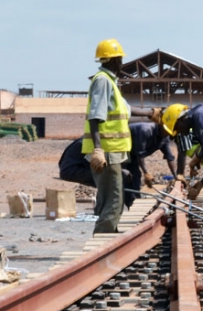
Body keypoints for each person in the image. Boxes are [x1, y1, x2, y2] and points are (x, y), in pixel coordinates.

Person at [83, 38, 132, 234]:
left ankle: (108, 236)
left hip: (113, 152)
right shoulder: (103, 81)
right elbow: (95, 116)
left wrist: (150, 114)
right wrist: (98, 149)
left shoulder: (110, 82)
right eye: (120, 59)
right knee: (114, 199)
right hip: (107, 152)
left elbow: (125, 112)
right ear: (113, 60)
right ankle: (103, 238)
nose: (122, 63)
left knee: (112, 199)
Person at [125, 119, 178, 209]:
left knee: (135, 175)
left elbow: (170, 158)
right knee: (129, 175)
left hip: (133, 154)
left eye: (168, 133)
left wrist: (176, 176)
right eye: (166, 132)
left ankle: (133, 200)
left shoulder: (165, 138)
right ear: (161, 126)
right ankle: (129, 202)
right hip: (123, 151)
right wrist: (146, 173)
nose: (166, 134)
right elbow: (140, 155)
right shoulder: (145, 130)